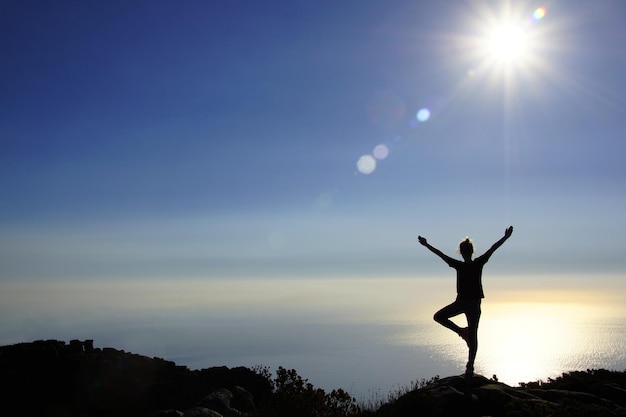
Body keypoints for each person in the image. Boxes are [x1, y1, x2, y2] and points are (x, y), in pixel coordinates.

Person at [418, 226, 513, 377]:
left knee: (439, 317)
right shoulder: (478, 262)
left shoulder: (459, 265)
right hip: (473, 304)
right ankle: (470, 366)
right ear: (471, 251)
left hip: (462, 303)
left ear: (461, 252)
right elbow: (493, 248)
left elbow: (440, 255)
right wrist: (506, 237)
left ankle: (462, 333)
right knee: (473, 336)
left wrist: (426, 245)